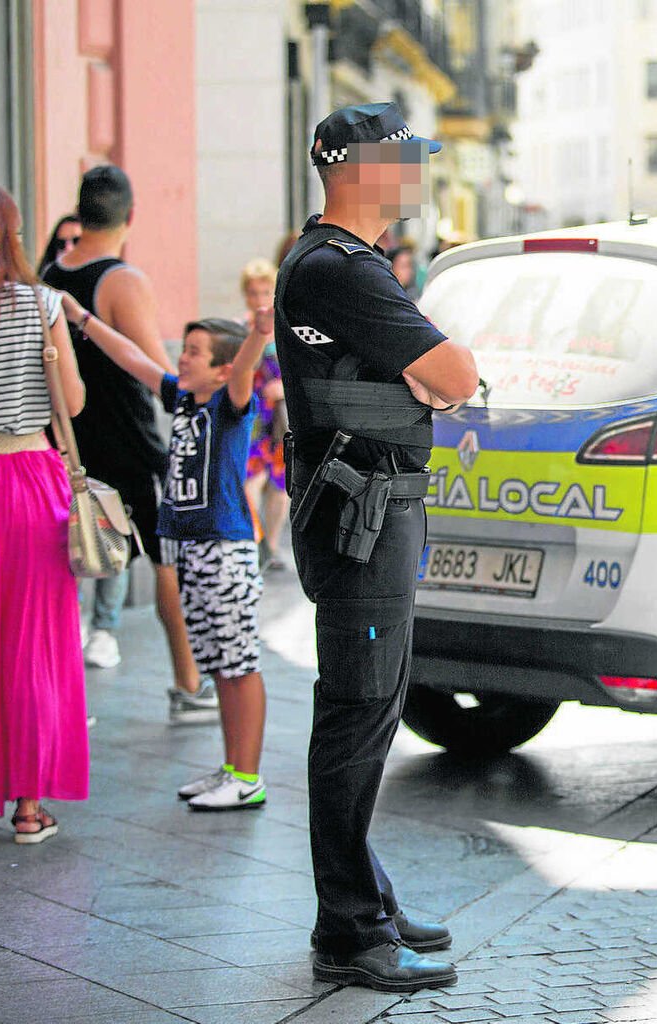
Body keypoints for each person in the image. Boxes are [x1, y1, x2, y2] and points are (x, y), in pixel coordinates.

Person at [280, 102, 478, 992]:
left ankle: (371, 900)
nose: (418, 175)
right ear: (359, 168)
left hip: (375, 514)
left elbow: (435, 380)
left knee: (376, 707)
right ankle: (348, 930)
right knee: (357, 715)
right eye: (406, 159)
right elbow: (456, 377)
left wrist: (426, 376)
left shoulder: (349, 267)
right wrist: (431, 376)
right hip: (360, 521)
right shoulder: (338, 269)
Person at [64, 303, 275, 811]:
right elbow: (133, 358)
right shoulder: (182, 399)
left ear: (221, 370)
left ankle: (247, 776)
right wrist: (82, 320)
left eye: (195, 353)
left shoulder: (229, 405)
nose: (183, 359)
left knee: (238, 664)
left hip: (226, 551)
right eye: (186, 348)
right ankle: (232, 768)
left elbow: (244, 366)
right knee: (218, 665)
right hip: (195, 551)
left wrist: (259, 334)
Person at [42, 166, 210, 719]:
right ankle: (189, 686)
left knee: (67, 568)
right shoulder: (121, 280)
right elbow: (157, 374)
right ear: (130, 218)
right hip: (131, 447)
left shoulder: (49, 275)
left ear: (80, 211)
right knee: (167, 565)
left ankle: (60, 694)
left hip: (67, 446)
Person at [0, 181, 90, 843]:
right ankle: (26, 805)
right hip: (25, 482)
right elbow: (68, 402)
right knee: (31, 646)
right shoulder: (40, 304)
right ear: (11, 233)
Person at [239, 259, 290, 568]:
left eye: (264, 291)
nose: (259, 298)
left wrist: (283, 388)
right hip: (252, 418)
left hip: (279, 420)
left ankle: (269, 548)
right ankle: (255, 542)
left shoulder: (286, 328)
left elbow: (302, 372)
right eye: (253, 292)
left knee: (279, 489)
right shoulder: (239, 328)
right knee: (249, 482)